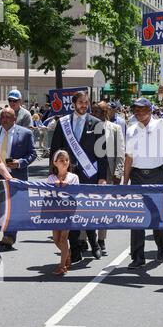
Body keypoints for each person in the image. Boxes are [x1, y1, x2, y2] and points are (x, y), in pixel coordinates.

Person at [50, 91, 107, 263]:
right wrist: (54, 173)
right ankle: (75, 248)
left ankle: (94, 243)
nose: (84, 105)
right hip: (67, 175)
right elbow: (55, 150)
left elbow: (102, 154)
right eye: (80, 102)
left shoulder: (97, 124)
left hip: (90, 174)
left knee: (88, 211)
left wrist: (102, 177)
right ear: (73, 104)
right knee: (70, 213)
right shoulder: (63, 123)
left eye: (86, 102)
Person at [124, 87, 163, 269]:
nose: (137, 112)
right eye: (135, 109)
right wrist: (125, 182)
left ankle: (161, 247)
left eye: (141, 109)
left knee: (157, 214)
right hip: (137, 175)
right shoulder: (130, 129)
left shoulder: (160, 125)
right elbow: (128, 157)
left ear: (150, 110)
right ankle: (137, 256)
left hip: (156, 174)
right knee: (137, 217)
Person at [0, 108, 37, 251]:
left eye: (7, 117)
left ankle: (8, 237)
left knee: (12, 207)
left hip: (15, 175)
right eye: (2, 117)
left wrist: (19, 163)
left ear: (14, 118)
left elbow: (32, 154)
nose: (4, 119)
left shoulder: (25, 133)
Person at [90, 101, 125, 256]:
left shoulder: (115, 129)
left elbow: (120, 153)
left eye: (98, 111)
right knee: (88, 206)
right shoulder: (88, 126)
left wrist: (118, 173)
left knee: (103, 207)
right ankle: (85, 239)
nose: (95, 114)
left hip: (109, 173)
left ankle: (101, 239)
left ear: (105, 113)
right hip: (90, 172)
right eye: (94, 111)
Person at [47, 150, 79, 275]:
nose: (65, 162)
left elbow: (77, 194)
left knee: (64, 237)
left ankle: (62, 266)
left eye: (66, 160)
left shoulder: (73, 177)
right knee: (56, 239)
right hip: (55, 212)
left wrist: (69, 187)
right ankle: (68, 254)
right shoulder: (51, 178)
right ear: (55, 163)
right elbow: (47, 195)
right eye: (61, 160)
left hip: (68, 211)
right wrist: (53, 187)